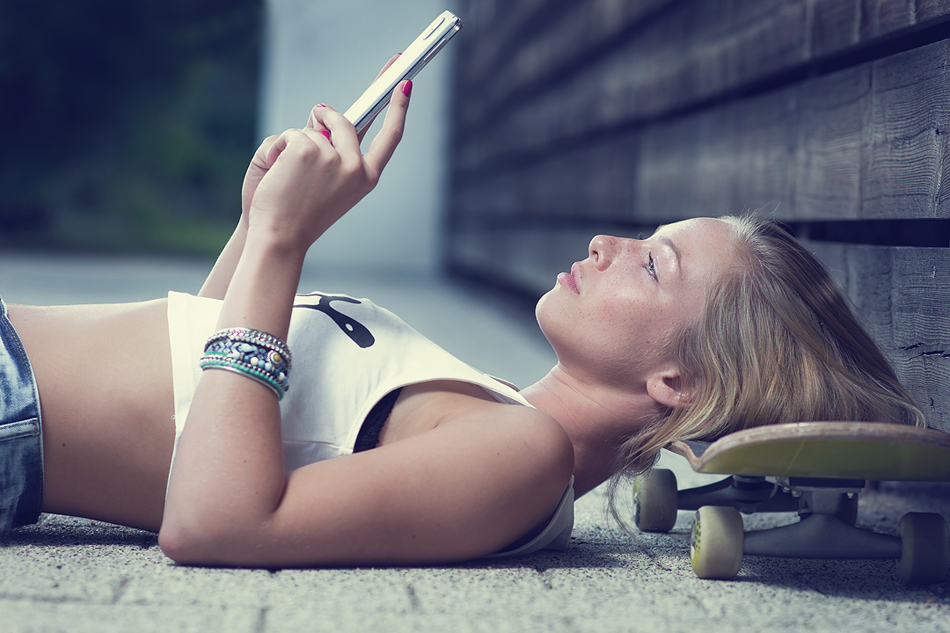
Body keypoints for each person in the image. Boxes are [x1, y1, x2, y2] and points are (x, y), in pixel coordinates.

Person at [0, 74, 924, 568]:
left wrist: (284, 244)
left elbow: (214, 522)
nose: (606, 241)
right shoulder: (491, 414)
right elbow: (189, 405)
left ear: (675, 383)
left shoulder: (525, 458)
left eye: (652, 261)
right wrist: (257, 228)